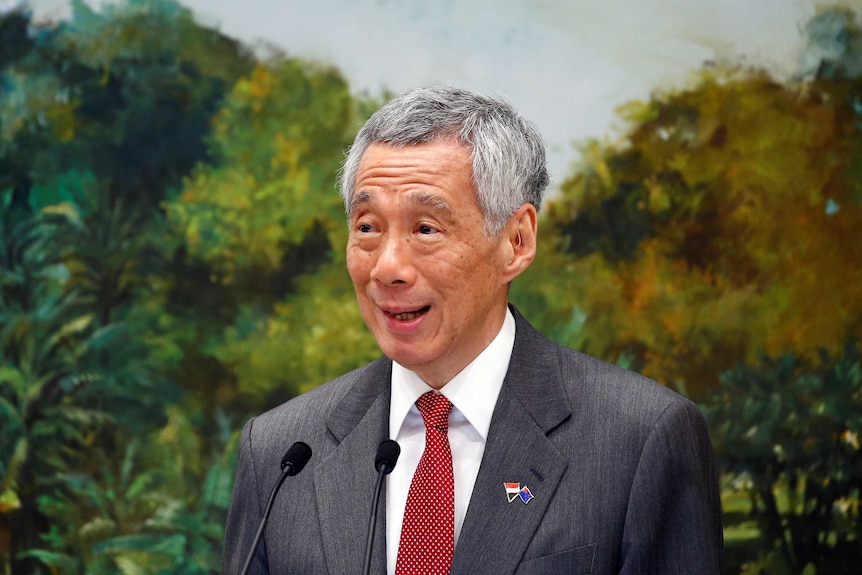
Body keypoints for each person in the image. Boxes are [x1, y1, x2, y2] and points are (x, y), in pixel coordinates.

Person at [223, 86, 723, 575]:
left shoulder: (638, 440)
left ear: (516, 242)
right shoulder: (283, 451)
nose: (387, 268)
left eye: (425, 229)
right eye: (368, 227)